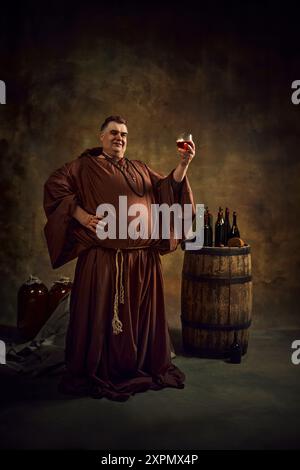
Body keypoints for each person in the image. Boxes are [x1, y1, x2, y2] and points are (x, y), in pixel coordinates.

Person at [43, 115, 195, 401]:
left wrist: (184, 164)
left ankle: (140, 364)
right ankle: (100, 367)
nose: (119, 138)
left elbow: (166, 188)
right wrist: (81, 215)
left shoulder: (139, 168)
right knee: (101, 318)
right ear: (101, 137)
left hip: (143, 261)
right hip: (104, 260)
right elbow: (54, 187)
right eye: (113, 133)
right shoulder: (83, 166)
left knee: (141, 320)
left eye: (124, 134)